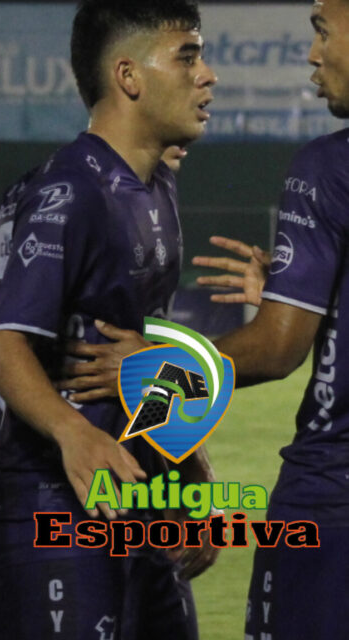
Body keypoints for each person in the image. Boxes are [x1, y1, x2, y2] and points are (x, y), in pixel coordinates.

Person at [0, 2, 218, 638]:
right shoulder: (70, 192)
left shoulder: (155, 186)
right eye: (187, 56)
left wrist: (187, 469)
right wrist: (73, 432)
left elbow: (138, 352)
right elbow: (4, 348)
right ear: (129, 76)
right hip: (43, 501)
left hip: (132, 494)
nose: (207, 75)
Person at [167, 2, 349, 636]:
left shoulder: (329, 168)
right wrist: (314, 295)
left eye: (323, 33)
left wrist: (155, 373)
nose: (312, 55)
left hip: (332, 499)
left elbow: (276, 348)